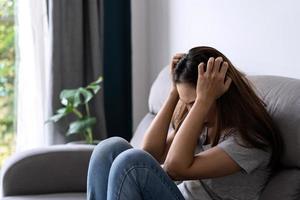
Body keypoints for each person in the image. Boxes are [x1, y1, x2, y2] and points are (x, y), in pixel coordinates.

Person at [87, 46, 283, 200]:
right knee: (110, 147)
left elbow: (174, 168)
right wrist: (174, 93)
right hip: (176, 195)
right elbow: (150, 152)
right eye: (186, 103)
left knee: (131, 162)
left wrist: (202, 101)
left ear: (219, 95)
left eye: (194, 103)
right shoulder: (203, 125)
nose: (190, 110)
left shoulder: (250, 140)